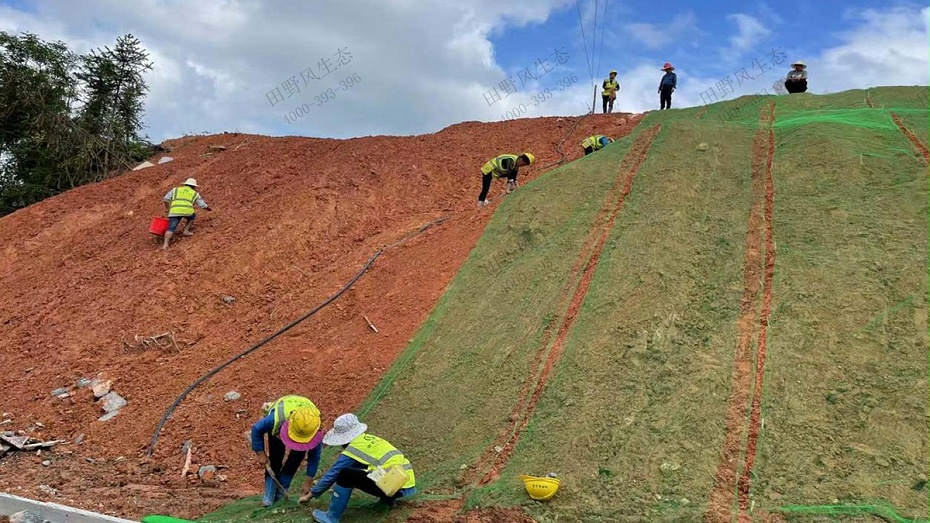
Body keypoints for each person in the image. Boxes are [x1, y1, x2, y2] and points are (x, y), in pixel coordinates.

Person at [306, 413, 415, 523]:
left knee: (346, 474)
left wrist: (311, 495)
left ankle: (331, 517)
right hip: (407, 485)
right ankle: (387, 501)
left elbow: (333, 473)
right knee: (363, 470)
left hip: (396, 488)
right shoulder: (370, 440)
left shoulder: (352, 450)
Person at [250, 395, 324, 507]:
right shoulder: (276, 419)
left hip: (304, 423)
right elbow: (256, 429)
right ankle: (269, 494)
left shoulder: (314, 430)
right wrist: (260, 453)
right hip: (280, 423)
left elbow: (314, 457)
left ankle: (281, 492)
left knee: (296, 458)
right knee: (276, 456)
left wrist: (308, 482)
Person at [162, 178, 211, 250]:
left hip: (174, 211)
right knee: (192, 217)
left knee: (171, 228)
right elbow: (202, 205)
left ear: (185, 184)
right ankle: (186, 231)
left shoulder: (175, 190)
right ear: (194, 187)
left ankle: (165, 245)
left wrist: (168, 208)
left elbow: (166, 199)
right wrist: (207, 208)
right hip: (187, 211)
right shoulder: (195, 194)